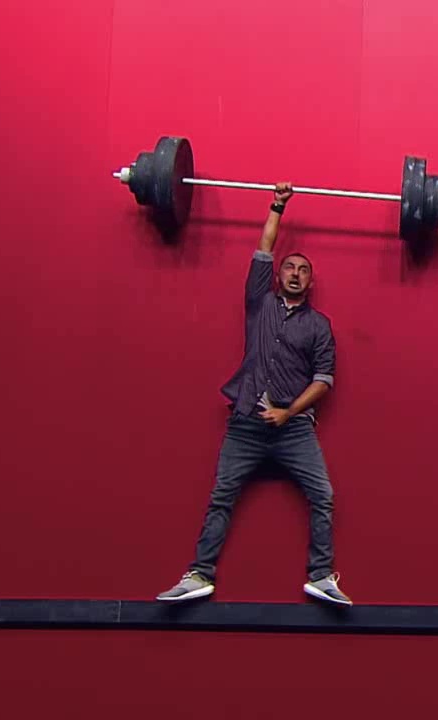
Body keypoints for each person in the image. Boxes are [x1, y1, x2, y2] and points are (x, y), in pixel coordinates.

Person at [157, 182, 351, 606]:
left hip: (293, 429)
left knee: (323, 495)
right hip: (245, 422)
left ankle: (321, 576)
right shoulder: (259, 303)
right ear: (278, 276)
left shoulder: (319, 325)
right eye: (289, 268)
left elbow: (324, 380)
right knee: (221, 497)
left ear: (311, 281)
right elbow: (264, 248)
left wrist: (288, 413)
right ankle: (199, 575)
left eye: (303, 270)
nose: (295, 273)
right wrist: (277, 206)